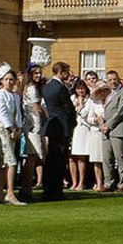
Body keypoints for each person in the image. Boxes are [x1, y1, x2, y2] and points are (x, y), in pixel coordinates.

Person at [0, 67, 27, 205]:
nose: (9, 82)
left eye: (12, 80)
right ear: (2, 81)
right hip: (2, 127)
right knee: (10, 161)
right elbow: (2, 112)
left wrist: (18, 128)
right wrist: (11, 128)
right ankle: (10, 192)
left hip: (14, 128)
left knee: (7, 160)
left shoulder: (15, 96)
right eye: (7, 79)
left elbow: (18, 113)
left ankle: (0, 193)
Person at [39, 62, 73, 200]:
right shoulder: (60, 88)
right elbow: (68, 107)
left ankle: (48, 189)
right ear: (61, 72)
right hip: (61, 125)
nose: (69, 74)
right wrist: (72, 122)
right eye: (67, 72)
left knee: (51, 159)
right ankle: (57, 191)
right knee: (59, 159)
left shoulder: (47, 87)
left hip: (51, 125)